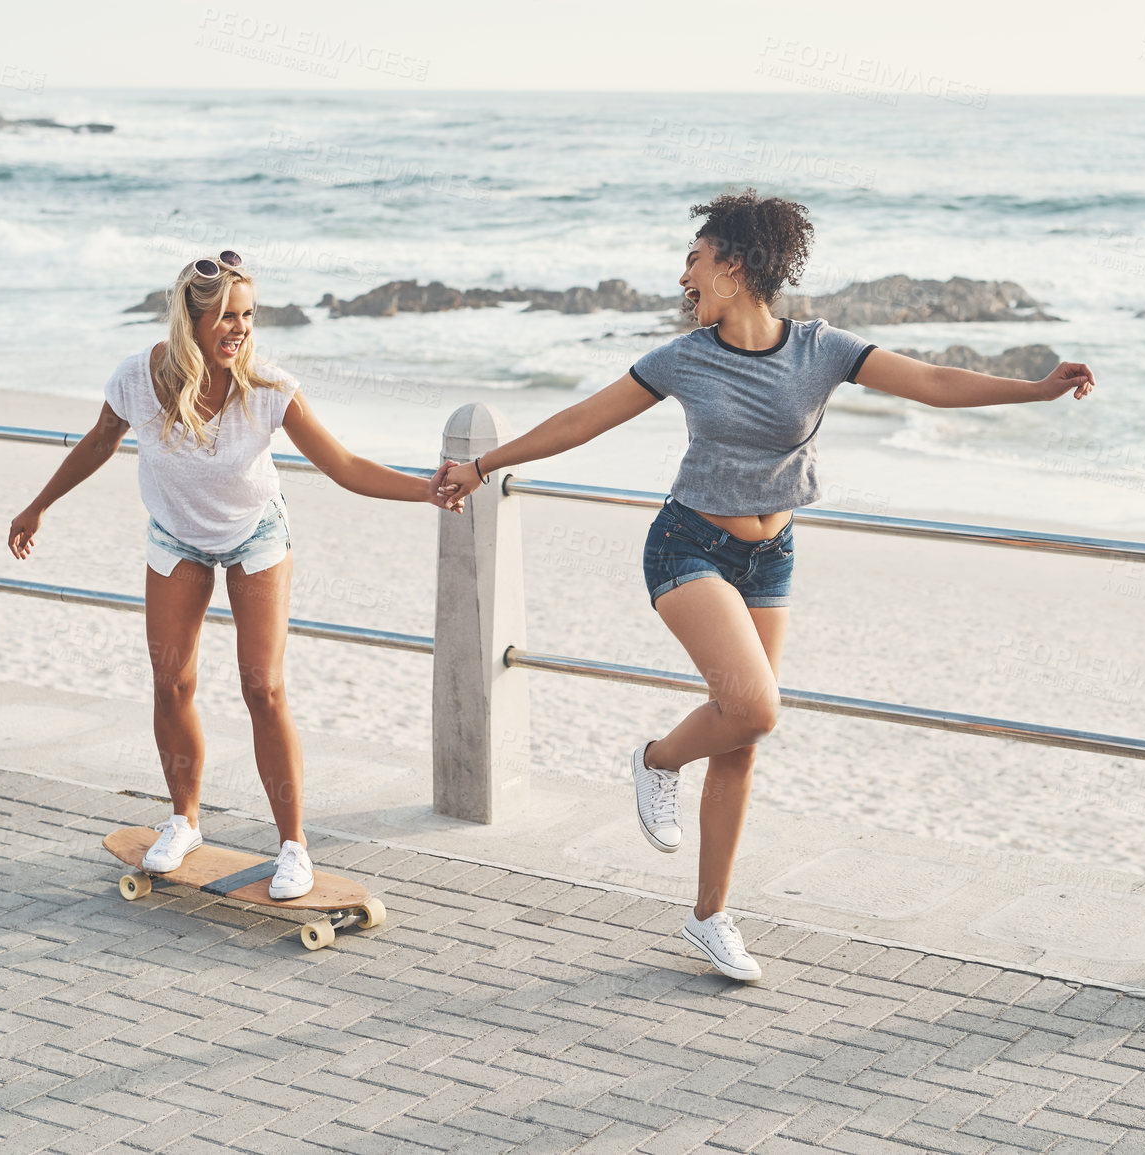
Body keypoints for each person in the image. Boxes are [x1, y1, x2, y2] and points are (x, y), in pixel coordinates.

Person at [437, 191, 1095, 980]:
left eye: (694, 259)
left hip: (771, 556)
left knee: (742, 736)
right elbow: (584, 419)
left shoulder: (819, 349)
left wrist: (1035, 389)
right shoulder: (682, 357)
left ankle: (710, 915)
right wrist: (482, 465)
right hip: (688, 546)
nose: (683, 275)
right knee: (753, 707)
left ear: (736, 266)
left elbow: (930, 381)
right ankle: (656, 758)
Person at [8, 251, 459, 899]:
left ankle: (293, 846)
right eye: (224, 316)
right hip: (175, 537)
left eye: (247, 315)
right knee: (171, 682)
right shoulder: (139, 377)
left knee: (263, 688)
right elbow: (99, 441)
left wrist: (425, 492)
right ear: (187, 320)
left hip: (256, 537)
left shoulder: (269, 388)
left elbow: (345, 466)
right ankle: (184, 820)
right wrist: (38, 505)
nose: (239, 328)